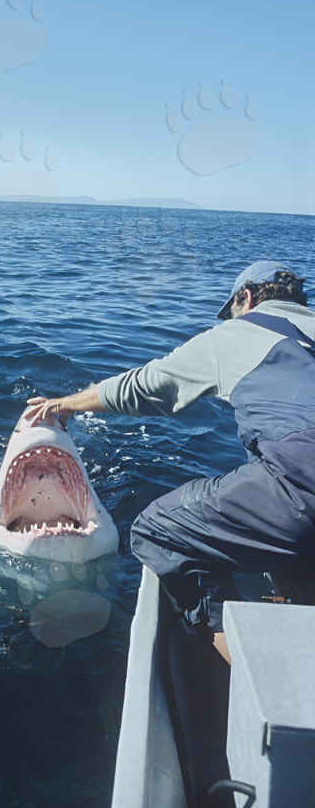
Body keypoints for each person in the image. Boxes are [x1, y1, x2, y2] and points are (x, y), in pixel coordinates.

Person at [26, 260, 315, 662]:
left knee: (157, 529)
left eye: (233, 309)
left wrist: (66, 404)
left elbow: (145, 386)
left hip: (303, 479)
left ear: (245, 298)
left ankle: (247, 666)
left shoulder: (241, 332)